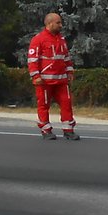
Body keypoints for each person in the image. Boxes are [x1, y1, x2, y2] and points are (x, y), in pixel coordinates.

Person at [27, 11, 78, 140]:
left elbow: (66, 57)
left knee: (67, 104)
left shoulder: (61, 39)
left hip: (61, 81)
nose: (61, 25)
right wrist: (35, 76)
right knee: (43, 105)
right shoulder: (38, 39)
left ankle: (68, 130)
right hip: (44, 81)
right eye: (58, 22)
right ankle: (46, 130)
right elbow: (32, 59)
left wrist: (70, 72)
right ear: (50, 24)